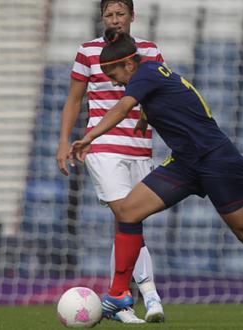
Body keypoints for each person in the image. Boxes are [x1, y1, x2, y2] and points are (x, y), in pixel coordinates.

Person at [70, 29, 243, 330]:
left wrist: (88, 137)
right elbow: (167, 101)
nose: (113, 80)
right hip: (185, 162)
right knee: (128, 212)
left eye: (113, 73)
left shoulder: (145, 72)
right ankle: (119, 293)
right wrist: (148, 117)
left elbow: (121, 108)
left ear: (129, 64)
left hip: (215, 160)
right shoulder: (151, 74)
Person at [56, 0, 164, 323]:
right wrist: (64, 142)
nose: (114, 20)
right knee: (126, 215)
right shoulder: (87, 52)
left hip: (140, 148)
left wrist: (148, 118)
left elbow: (157, 94)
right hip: (102, 146)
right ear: (102, 18)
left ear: (133, 16)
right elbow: (74, 99)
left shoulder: (149, 50)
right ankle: (150, 292)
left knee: (128, 224)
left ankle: (121, 302)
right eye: (109, 15)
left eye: (120, 14)